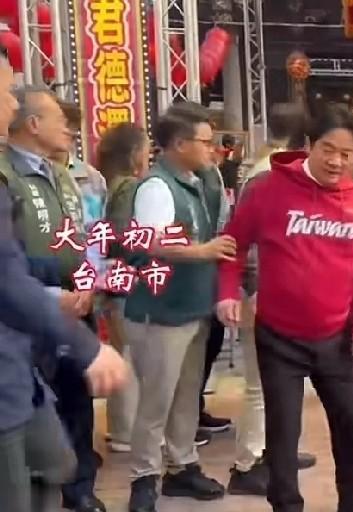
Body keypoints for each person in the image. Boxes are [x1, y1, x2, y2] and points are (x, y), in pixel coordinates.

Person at [216, 105, 353, 512]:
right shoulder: (268, 190)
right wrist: (227, 291)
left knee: (348, 423)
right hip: (279, 337)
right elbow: (233, 244)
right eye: (327, 149)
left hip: (337, 338)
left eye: (346, 154)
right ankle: (286, 505)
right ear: (309, 146)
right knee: (283, 432)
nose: (336, 161)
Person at [0, 44, 127, 512]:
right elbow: (9, 271)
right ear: (34, 124)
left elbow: (81, 236)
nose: (10, 103)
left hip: (62, 314)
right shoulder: (6, 175)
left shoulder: (68, 175)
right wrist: (58, 304)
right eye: (6, 92)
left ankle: (80, 490)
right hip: (28, 328)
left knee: (63, 437)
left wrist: (88, 281)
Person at [124, 103, 233, 512]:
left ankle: (182, 465)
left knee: (187, 395)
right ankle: (143, 477)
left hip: (192, 309)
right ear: (180, 144)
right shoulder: (157, 187)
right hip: (162, 312)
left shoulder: (196, 181)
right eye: (205, 141)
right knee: (157, 401)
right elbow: (152, 241)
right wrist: (203, 251)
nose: (212, 148)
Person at [226, 102, 316, 497]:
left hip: (278, 295)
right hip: (263, 296)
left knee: (279, 384)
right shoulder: (267, 176)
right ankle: (248, 463)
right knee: (260, 386)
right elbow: (250, 244)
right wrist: (256, 290)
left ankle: (276, 452)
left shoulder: (268, 168)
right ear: (305, 140)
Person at [95, 123, 150, 454]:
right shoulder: (130, 188)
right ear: (134, 154)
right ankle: (128, 432)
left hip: (112, 279)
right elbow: (124, 236)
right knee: (130, 355)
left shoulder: (108, 184)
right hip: (127, 280)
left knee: (120, 350)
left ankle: (121, 429)